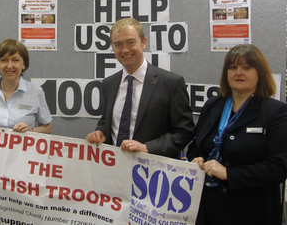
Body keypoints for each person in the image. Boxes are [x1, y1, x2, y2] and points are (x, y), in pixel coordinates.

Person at [187, 44, 287, 225]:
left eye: (246, 67)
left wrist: (229, 173)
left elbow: (278, 168)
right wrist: (197, 159)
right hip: (207, 208)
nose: (238, 72)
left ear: (260, 73)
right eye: (233, 67)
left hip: (251, 211)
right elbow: (196, 146)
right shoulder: (212, 105)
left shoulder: (276, 112)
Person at [86, 18, 194, 158]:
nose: (125, 50)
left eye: (131, 42)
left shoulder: (171, 83)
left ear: (143, 42)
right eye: (118, 44)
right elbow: (106, 121)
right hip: (113, 168)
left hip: (153, 172)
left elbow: (184, 132)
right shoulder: (108, 84)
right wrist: (100, 132)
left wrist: (147, 148)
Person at [0, 39, 52, 133]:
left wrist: (30, 130)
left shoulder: (36, 92)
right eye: (4, 60)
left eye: (15, 60)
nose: (9, 66)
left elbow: (47, 128)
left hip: (24, 147)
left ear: (23, 64)